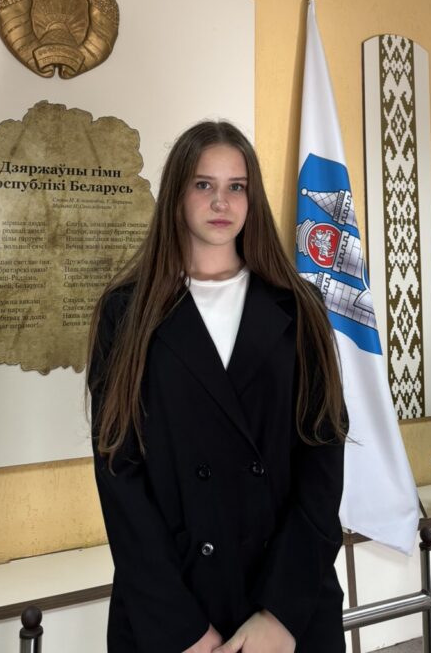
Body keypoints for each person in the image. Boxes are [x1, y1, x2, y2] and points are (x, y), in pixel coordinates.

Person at [86, 121, 347, 653]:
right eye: (204, 184)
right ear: (177, 195)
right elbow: (119, 473)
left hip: (287, 597)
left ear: (252, 198)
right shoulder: (126, 312)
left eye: (237, 186)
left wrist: (280, 615)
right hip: (172, 605)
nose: (221, 202)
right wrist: (182, 629)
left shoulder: (300, 306)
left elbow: (323, 460)